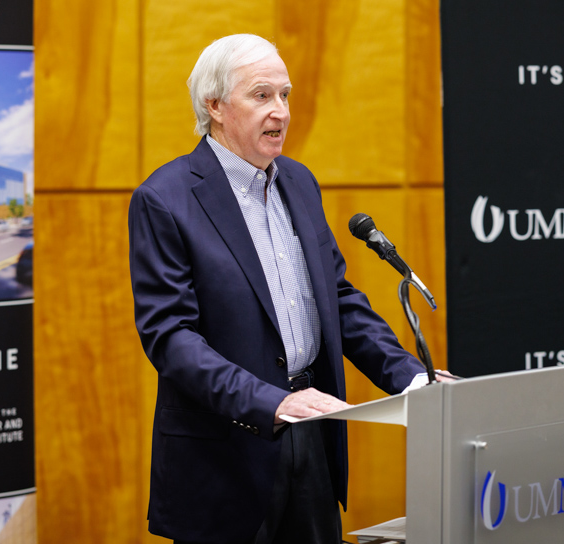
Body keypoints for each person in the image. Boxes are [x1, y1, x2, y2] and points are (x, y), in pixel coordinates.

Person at [129, 34, 429, 544]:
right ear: (215, 106)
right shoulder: (164, 199)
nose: (281, 112)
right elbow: (170, 338)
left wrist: (411, 380)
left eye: (285, 95)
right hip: (225, 450)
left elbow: (336, 299)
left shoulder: (298, 181)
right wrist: (268, 401)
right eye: (262, 95)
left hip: (312, 431)